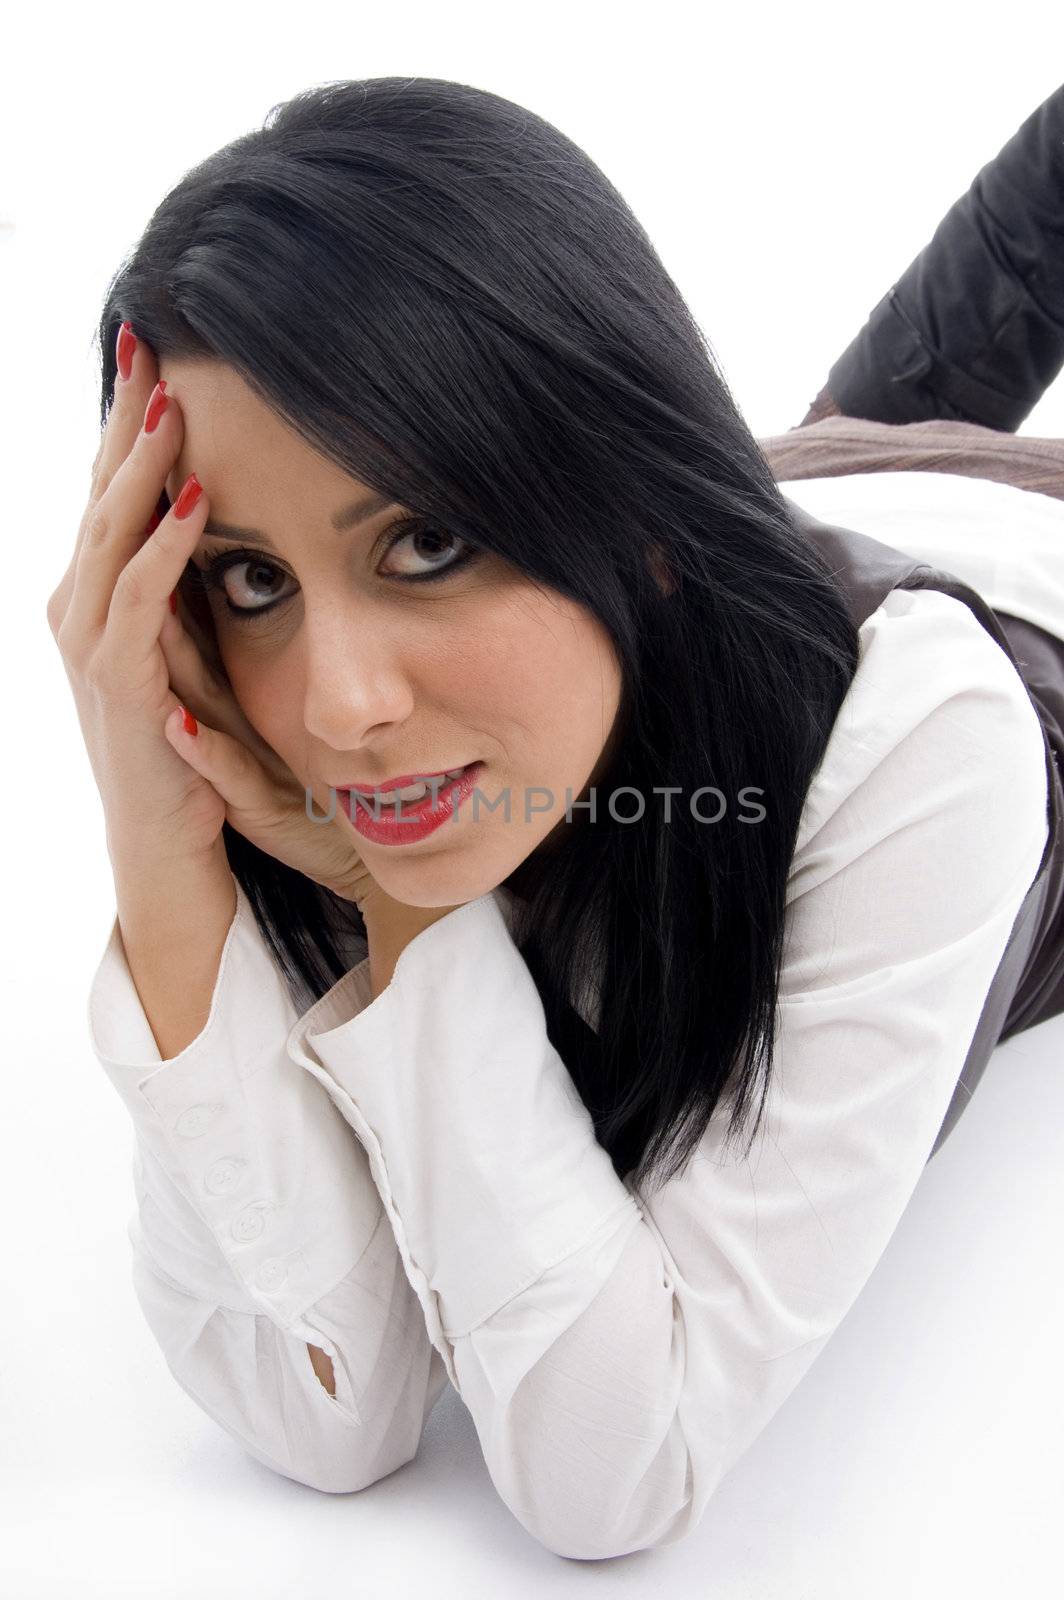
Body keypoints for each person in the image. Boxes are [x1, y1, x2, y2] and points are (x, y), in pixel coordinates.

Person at [48, 79, 1064, 1561]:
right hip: (799, 483)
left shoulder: (921, 745)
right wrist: (160, 842)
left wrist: (400, 909)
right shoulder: (337, 744)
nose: (339, 707)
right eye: (252, 577)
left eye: (426, 538)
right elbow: (326, 1411)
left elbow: (615, 1478)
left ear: (628, 501)